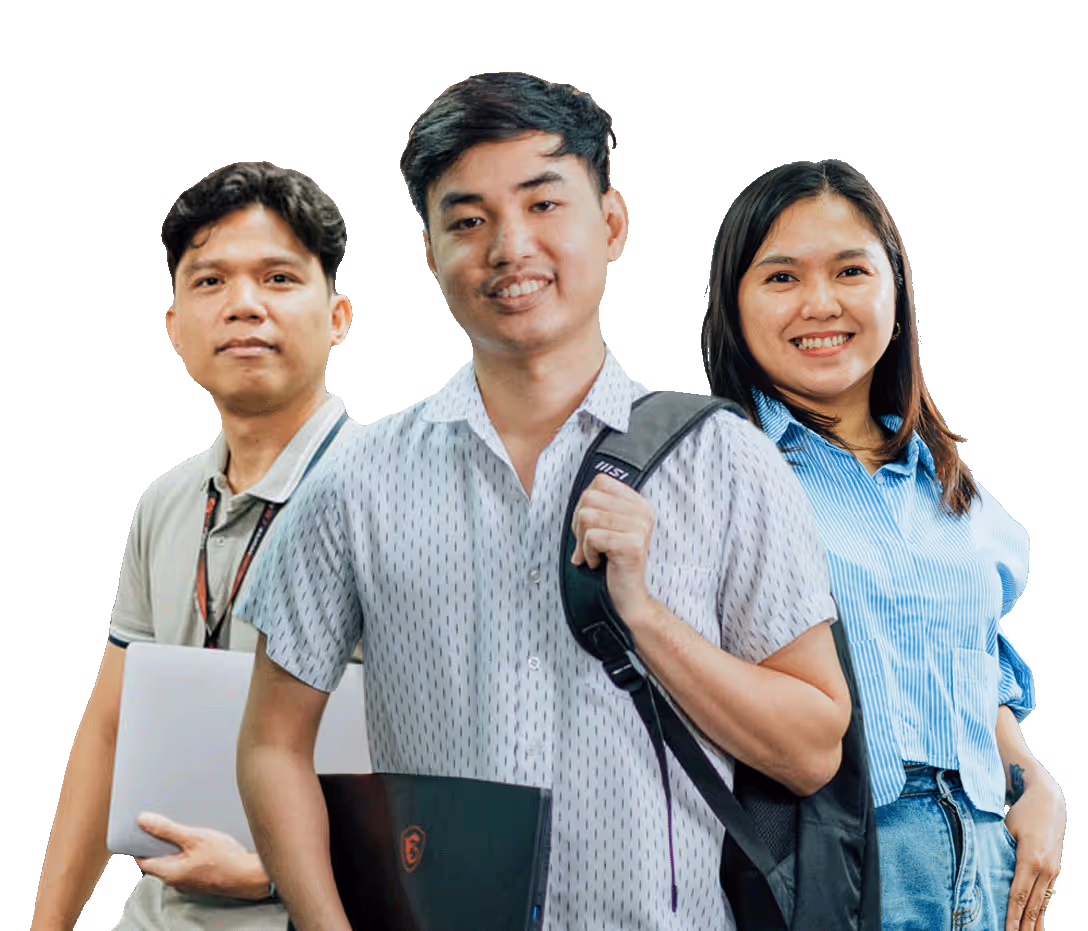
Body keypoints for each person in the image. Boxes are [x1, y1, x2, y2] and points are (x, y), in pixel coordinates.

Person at [234, 72, 851, 931]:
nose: (508, 246)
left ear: (611, 222)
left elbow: (815, 747)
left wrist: (646, 615)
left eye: (543, 203)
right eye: (468, 220)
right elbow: (270, 744)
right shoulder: (354, 482)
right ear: (429, 252)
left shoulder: (726, 463)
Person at [700, 159, 1066, 931]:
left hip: (989, 860)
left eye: (851, 270)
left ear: (896, 293)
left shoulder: (948, 485)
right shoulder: (717, 475)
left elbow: (978, 665)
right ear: (733, 303)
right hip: (837, 857)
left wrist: (1040, 785)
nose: (821, 302)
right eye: (781, 277)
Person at [31, 161, 354, 931]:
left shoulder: (392, 498)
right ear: (174, 326)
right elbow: (107, 729)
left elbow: (458, 770)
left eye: (278, 278)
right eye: (209, 282)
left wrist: (274, 871)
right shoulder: (167, 503)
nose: (243, 305)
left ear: (339, 315)